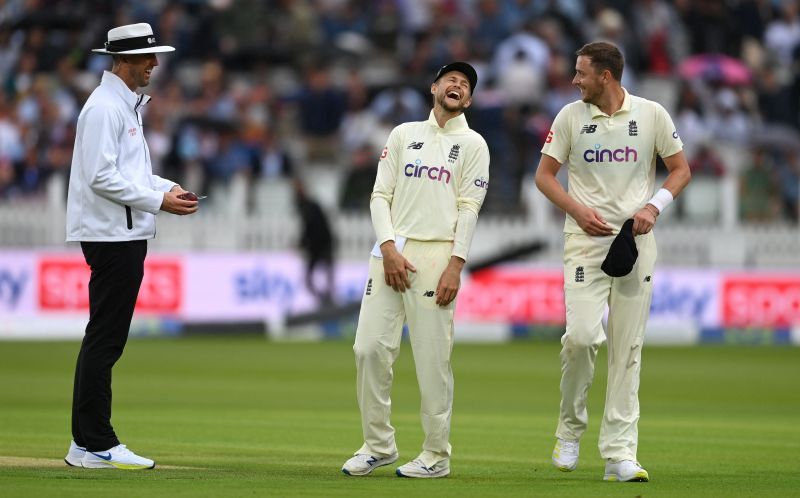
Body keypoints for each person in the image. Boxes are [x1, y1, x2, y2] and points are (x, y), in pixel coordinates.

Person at [534, 41, 691, 482]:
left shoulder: (651, 114)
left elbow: (680, 170)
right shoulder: (569, 117)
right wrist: (577, 211)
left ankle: (619, 454)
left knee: (627, 350)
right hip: (584, 242)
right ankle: (569, 429)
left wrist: (653, 207)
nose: (574, 80)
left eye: (581, 73)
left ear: (605, 76)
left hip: (634, 241)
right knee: (581, 338)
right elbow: (544, 176)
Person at [341, 62, 490, 478]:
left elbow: (469, 208)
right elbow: (379, 195)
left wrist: (455, 265)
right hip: (391, 251)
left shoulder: (474, 144)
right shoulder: (404, 134)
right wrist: (387, 247)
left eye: (465, 84)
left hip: (437, 255)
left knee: (432, 360)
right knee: (368, 350)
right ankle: (378, 445)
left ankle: (436, 455)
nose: (457, 85)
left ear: (470, 99)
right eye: (451, 80)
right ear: (434, 88)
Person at [63, 23, 199, 470]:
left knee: (104, 338)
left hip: (121, 232)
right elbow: (99, 177)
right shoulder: (105, 108)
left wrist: (166, 187)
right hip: (111, 235)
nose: (154, 65)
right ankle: (97, 441)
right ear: (122, 60)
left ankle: (85, 444)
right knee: (105, 339)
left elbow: (127, 175)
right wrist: (158, 201)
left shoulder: (124, 106)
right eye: (147, 58)